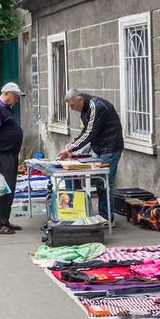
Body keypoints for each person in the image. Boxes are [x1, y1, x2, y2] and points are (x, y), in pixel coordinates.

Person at [57, 88, 124, 222]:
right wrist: (74, 143)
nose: (71, 109)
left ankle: (107, 218)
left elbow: (90, 133)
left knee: (104, 182)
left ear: (80, 100)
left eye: (72, 105)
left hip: (109, 147)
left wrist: (70, 150)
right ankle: (103, 215)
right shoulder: (85, 109)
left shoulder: (96, 106)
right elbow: (85, 131)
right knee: (100, 181)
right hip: (100, 146)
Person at [0, 82, 25, 235]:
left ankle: (4, 220)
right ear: (6, 93)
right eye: (15, 96)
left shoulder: (6, 109)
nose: (17, 100)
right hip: (2, 156)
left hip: (10, 155)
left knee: (8, 190)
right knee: (0, 190)